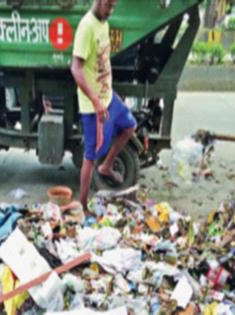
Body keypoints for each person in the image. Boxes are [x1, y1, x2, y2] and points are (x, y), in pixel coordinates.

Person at [71, 0, 136, 212]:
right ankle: (82, 204)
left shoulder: (103, 23)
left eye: (113, 6)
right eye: (108, 5)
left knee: (129, 126)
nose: (110, 11)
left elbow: (101, 64)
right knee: (89, 156)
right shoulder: (86, 27)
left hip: (109, 98)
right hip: (93, 107)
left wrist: (108, 91)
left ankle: (107, 165)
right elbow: (76, 69)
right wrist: (96, 101)